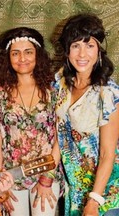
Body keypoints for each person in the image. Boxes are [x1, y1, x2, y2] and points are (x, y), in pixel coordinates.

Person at [0, 27, 64, 216]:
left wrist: (47, 177)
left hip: (46, 174)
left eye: (28, 52)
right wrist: (1, 182)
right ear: (8, 58)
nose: (22, 58)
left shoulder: (53, 92)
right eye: (16, 53)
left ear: (38, 55)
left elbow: (60, 137)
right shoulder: (0, 95)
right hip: (12, 176)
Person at [54, 13, 119, 215]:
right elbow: (60, 134)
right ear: (67, 50)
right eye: (75, 45)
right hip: (75, 191)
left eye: (89, 45)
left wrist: (94, 200)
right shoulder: (60, 83)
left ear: (99, 50)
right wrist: (46, 175)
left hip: (105, 194)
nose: (82, 54)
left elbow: (108, 154)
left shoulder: (107, 93)